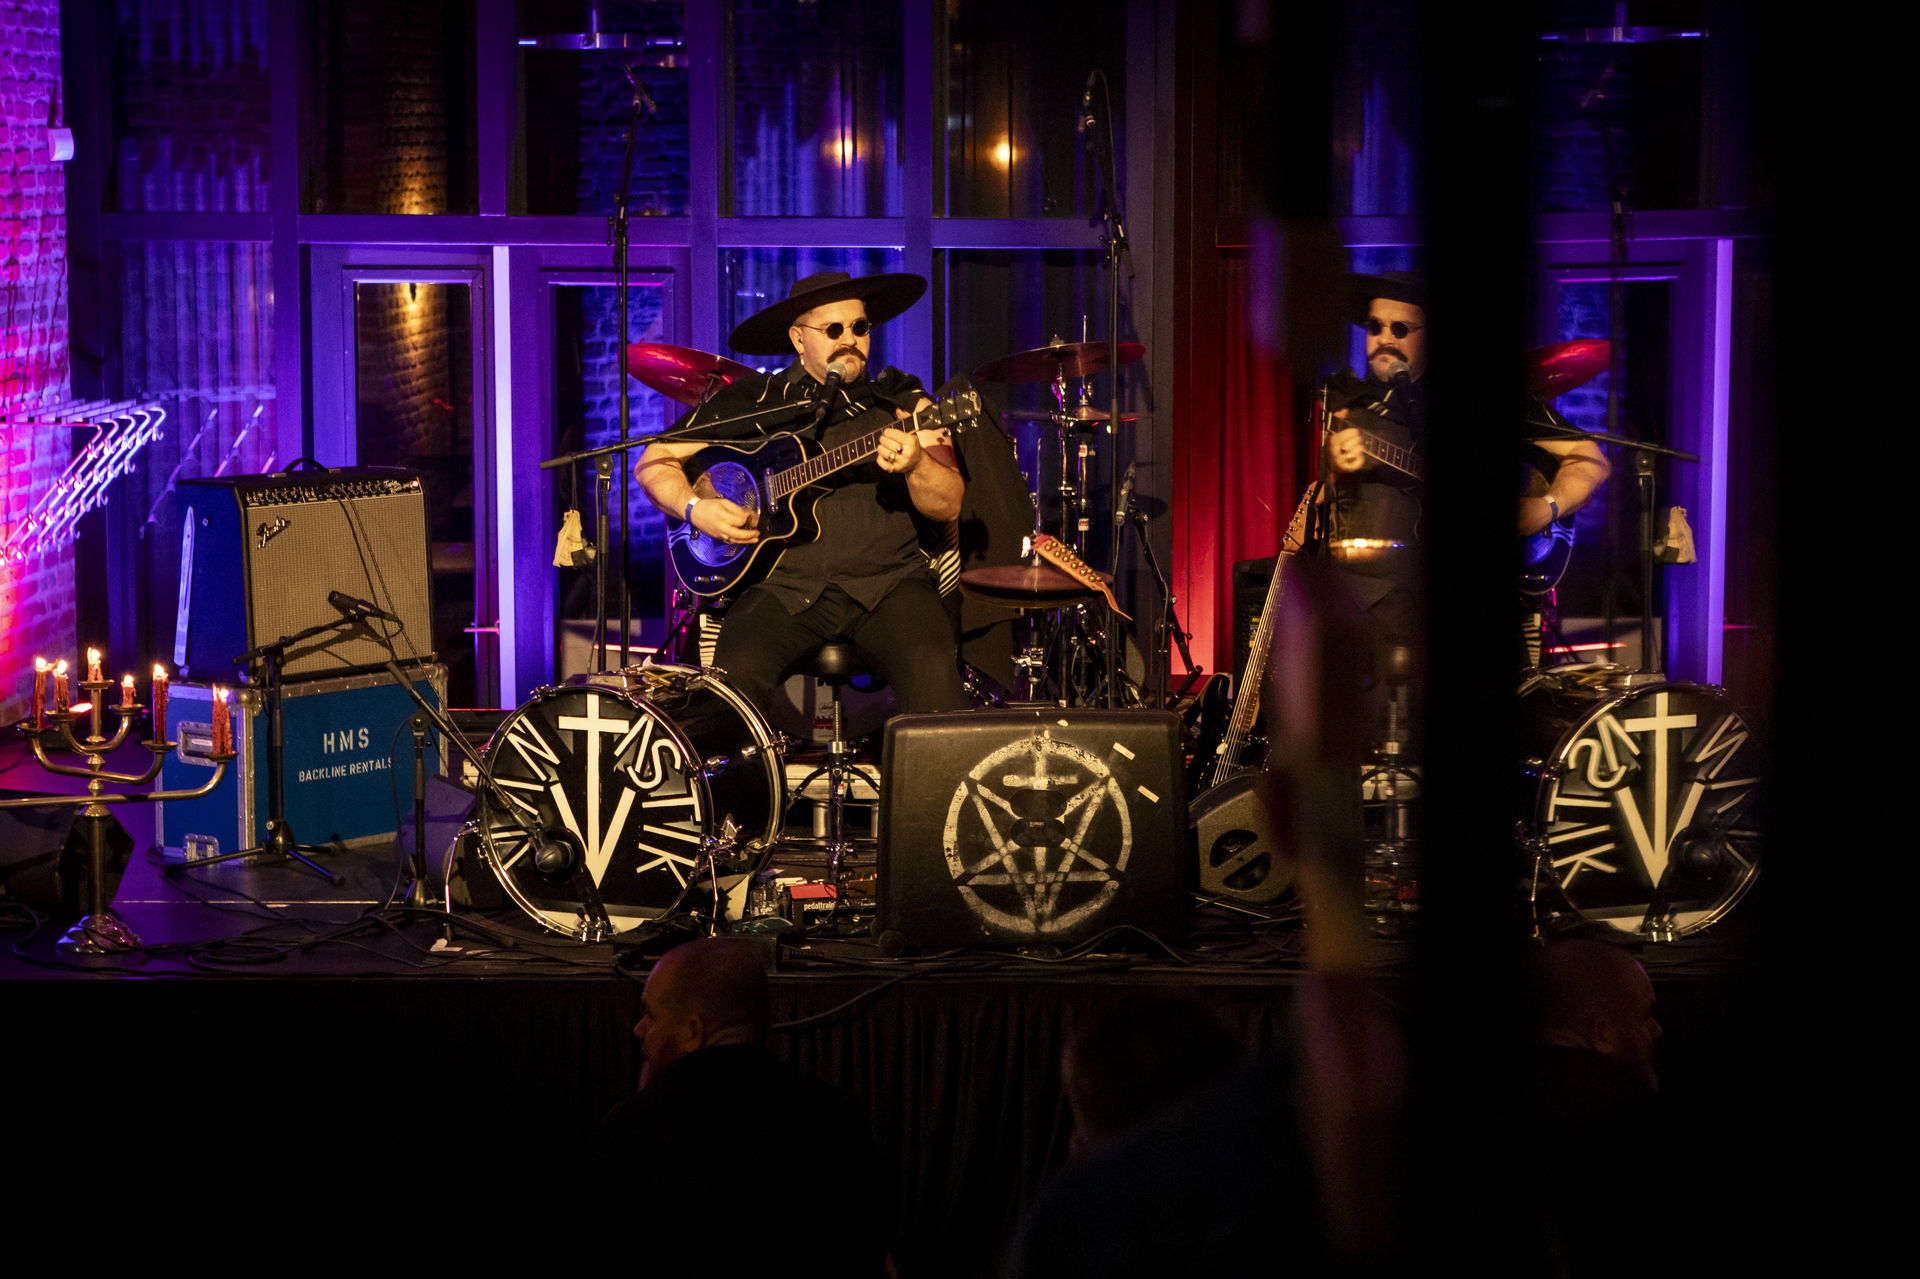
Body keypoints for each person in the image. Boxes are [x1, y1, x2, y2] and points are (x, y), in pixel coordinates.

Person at [636, 271, 970, 719]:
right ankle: (744, 788)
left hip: (890, 584)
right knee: (728, 696)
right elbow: (653, 461)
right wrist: (696, 509)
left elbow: (948, 503)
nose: (849, 340)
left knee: (936, 682)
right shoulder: (758, 400)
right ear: (798, 338)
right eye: (833, 330)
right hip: (784, 588)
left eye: (860, 327)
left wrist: (918, 464)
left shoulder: (906, 404)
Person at [1320, 271, 1613, 650]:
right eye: (1375, 327)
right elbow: (1324, 504)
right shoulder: (1347, 405)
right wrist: (1337, 467)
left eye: (1401, 328)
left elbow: (1590, 459)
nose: (1385, 338)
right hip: (1369, 610)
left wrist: (1543, 509)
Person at [594, 936, 894, 1274]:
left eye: (650, 1015)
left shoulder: (632, 1131)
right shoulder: (837, 1117)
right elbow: (868, 1252)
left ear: (693, 1031)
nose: (638, 1029)